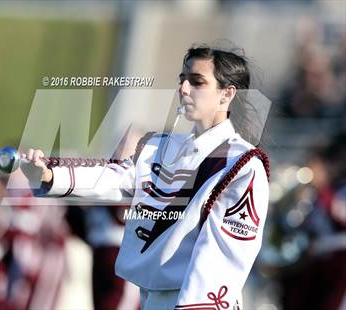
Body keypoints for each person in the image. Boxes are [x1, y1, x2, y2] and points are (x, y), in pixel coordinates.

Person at [20, 44, 270, 309]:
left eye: (197, 82)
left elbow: (223, 255)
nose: (184, 89)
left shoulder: (242, 164)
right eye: (182, 80)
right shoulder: (160, 146)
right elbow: (116, 177)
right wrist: (49, 174)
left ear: (226, 94)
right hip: (150, 299)